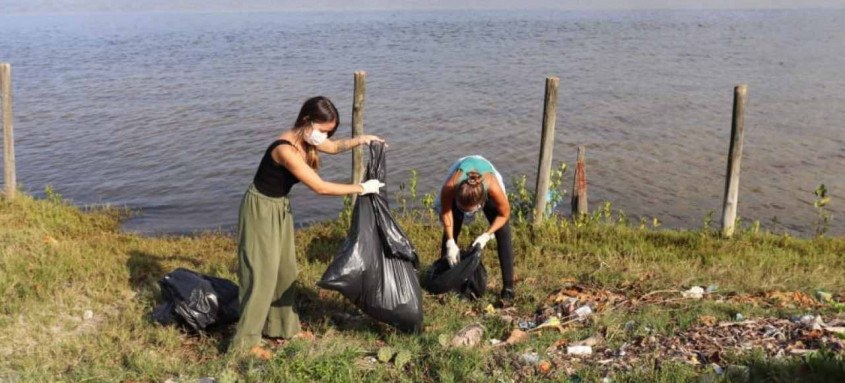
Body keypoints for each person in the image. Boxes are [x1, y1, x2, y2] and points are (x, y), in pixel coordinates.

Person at [230, 96, 385, 353]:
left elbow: (334, 148)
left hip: (279, 207)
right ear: (306, 121)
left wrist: (364, 139)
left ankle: (282, 328)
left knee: (285, 270)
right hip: (260, 209)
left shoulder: (305, 138)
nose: (324, 137)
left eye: (328, 132)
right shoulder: (285, 149)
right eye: (322, 130)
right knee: (261, 275)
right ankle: (245, 344)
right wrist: (361, 188)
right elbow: (320, 187)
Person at [438, 155, 515, 302]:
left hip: (486, 176)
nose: (467, 213)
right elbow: (446, 214)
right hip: (461, 169)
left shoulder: (493, 187)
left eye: (470, 211)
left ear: (482, 202)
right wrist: (450, 242)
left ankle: (509, 288)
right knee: (453, 228)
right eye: (462, 208)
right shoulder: (450, 186)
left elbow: (505, 214)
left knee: (503, 231)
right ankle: (444, 276)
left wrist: (486, 235)